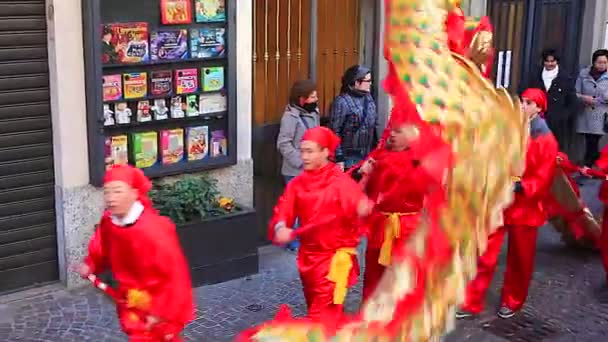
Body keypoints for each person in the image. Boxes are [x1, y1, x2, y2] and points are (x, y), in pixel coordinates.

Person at [456, 88, 558, 319]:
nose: (522, 106)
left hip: (526, 206)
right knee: (484, 252)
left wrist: (522, 186)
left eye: (528, 103)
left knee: (520, 258)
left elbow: (544, 175)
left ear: (539, 109)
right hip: (500, 201)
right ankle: (471, 300)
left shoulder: (545, 140)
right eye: (522, 101)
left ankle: (513, 301)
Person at [74, 165, 194, 341]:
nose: (110, 198)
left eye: (117, 191)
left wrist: (159, 311)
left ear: (134, 193)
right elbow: (102, 248)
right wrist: (90, 264)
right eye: (107, 192)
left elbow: (175, 274)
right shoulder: (109, 222)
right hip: (130, 299)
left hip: (158, 302)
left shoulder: (154, 229)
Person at [269, 126, 373, 321]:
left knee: (321, 318)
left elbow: (357, 205)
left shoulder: (341, 183)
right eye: (302, 151)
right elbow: (283, 210)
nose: (304, 156)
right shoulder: (297, 184)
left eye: (310, 151)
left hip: (333, 263)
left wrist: (362, 206)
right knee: (318, 311)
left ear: (325, 152)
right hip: (307, 259)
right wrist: (280, 226)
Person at [355, 103, 451, 302]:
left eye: (398, 131)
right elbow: (359, 186)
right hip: (379, 227)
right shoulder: (379, 156)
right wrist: (361, 175)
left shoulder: (424, 162)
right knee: (374, 275)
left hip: (408, 229)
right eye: (391, 130)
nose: (391, 135)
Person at [276, 80, 320, 251]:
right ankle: (293, 242)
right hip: (295, 171)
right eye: (312, 96)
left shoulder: (313, 112)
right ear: (302, 99)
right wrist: (301, 161)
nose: (316, 99)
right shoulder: (290, 117)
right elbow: (283, 143)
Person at [527, 49, 578, 157]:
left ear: (557, 61)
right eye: (547, 61)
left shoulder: (565, 78)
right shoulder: (535, 75)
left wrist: (563, 116)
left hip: (557, 123)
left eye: (552, 61)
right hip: (537, 118)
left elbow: (572, 101)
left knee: (555, 152)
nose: (550, 64)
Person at [329, 65, 378, 170]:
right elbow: (334, 131)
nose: (371, 83)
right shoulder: (342, 102)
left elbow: (374, 125)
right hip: (349, 159)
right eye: (368, 81)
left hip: (367, 156)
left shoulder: (368, 98)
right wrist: (339, 158)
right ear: (356, 82)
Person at [576, 49, 608, 167]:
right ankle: (591, 166)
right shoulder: (584, 74)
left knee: (593, 141)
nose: (602, 65)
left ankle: (588, 166)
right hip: (585, 113)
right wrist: (584, 97)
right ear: (594, 62)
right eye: (599, 62)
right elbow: (575, 92)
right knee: (588, 140)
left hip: (601, 115)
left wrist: (602, 98)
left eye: (605, 62)